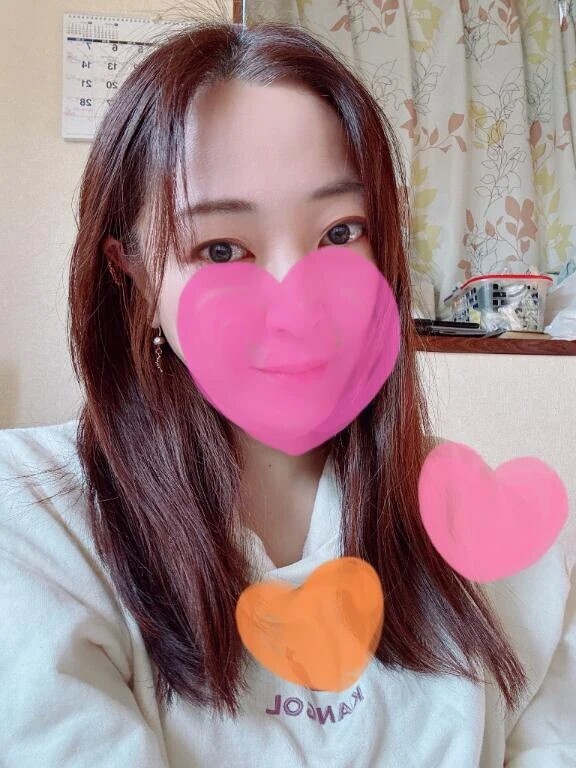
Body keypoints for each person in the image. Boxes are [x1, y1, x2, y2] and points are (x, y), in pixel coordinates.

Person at [1, 13, 575, 768]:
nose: (297, 305)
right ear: (131, 275)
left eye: (340, 233)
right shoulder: (35, 516)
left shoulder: (500, 539)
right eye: (221, 249)